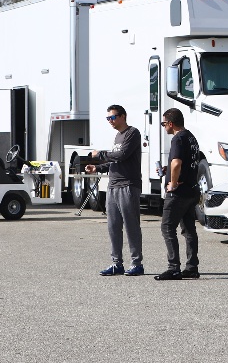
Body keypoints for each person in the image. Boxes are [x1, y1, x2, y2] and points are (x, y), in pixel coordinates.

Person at [86, 105, 144, 276]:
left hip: (128, 185)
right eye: (108, 118)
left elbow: (122, 155)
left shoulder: (132, 133)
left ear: (123, 116)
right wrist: (98, 168)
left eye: (113, 117)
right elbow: (115, 161)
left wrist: (100, 155)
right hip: (113, 186)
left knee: (131, 226)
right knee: (113, 226)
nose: (110, 121)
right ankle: (116, 263)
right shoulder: (117, 136)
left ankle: (137, 264)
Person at [155, 108, 201, 281]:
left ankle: (173, 267)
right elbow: (188, 162)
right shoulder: (191, 137)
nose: (163, 127)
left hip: (179, 193)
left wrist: (172, 183)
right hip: (191, 190)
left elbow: (176, 163)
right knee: (189, 230)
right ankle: (192, 267)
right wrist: (169, 170)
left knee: (167, 227)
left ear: (171, 123)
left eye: (163, 123)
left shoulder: (178, 138)